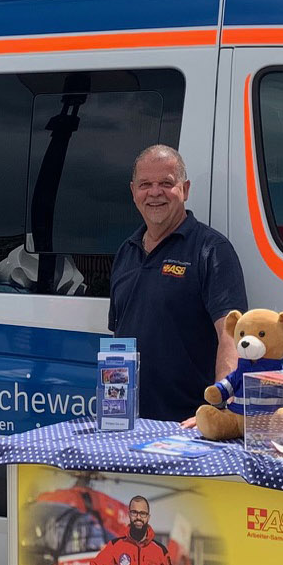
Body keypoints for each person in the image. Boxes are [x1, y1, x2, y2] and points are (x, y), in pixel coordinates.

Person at [109, 145, 247, 422]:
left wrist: (219, 408)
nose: (155, 192)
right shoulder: (126, 251)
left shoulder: (211, 249)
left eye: (166, 183)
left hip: (189, 425)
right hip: (130, 422)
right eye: (145, 184)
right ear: (133, 192)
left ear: (184, 189)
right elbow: (119, 342)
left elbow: (231, 334)